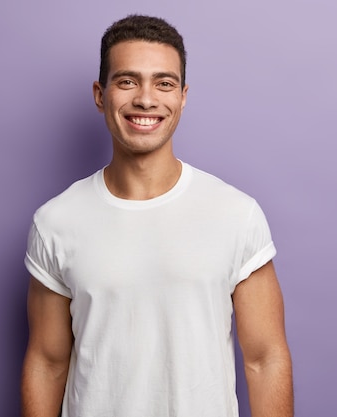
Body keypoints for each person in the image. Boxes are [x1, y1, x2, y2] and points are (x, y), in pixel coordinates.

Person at [21, 14, 293, 417]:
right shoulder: (56, 222)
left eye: (164, 83)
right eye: (127, 81)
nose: (146, 99)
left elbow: (265, 358)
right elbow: (47, 362)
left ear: (182, 96)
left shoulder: (236, 214)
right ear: (100, 94)